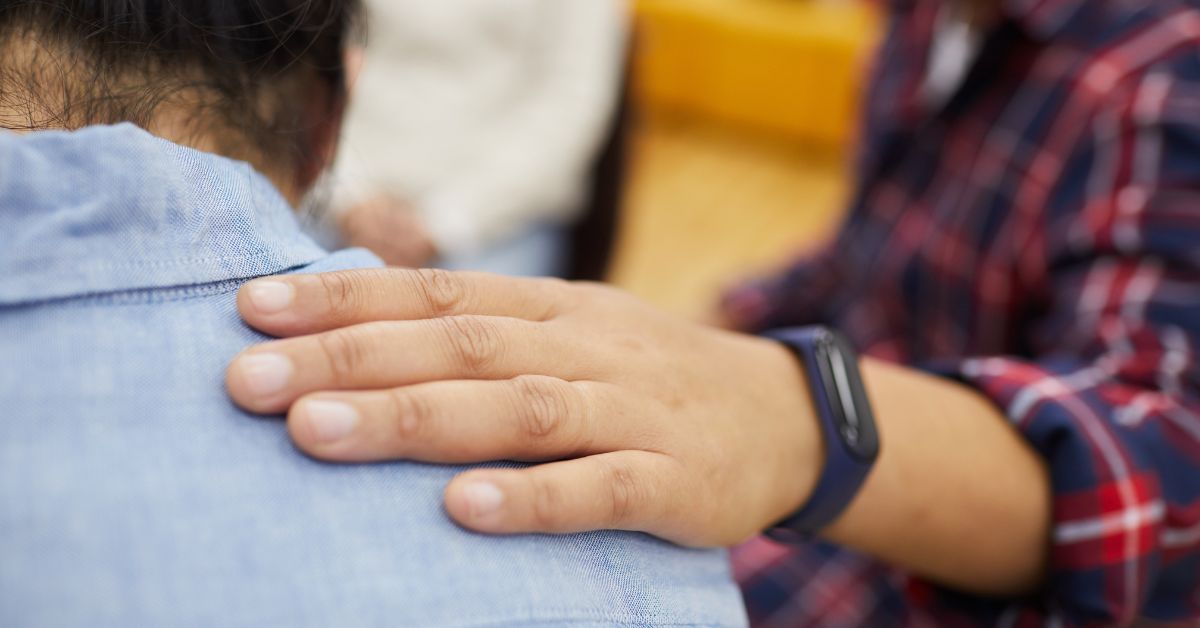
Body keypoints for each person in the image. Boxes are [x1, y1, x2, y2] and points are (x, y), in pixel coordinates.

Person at [224, 0, 1200, 625]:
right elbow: (872, 249)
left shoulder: (1165, 67)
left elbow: (1165, 476)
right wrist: (701, 330)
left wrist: (793, 414)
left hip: (922, 563)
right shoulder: (928, 24)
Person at [0, 1, 746, 626]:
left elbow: (567, 110)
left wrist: (447, 221)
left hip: (486, 211)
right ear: (334, 118)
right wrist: (356, 199)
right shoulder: (661, 579)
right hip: (345, 182)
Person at [329, 0, 627, 276]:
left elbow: (573, 100)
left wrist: (444, 223)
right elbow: (308, 64)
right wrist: (347, 195)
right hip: (335, 192)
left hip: (497, 220)